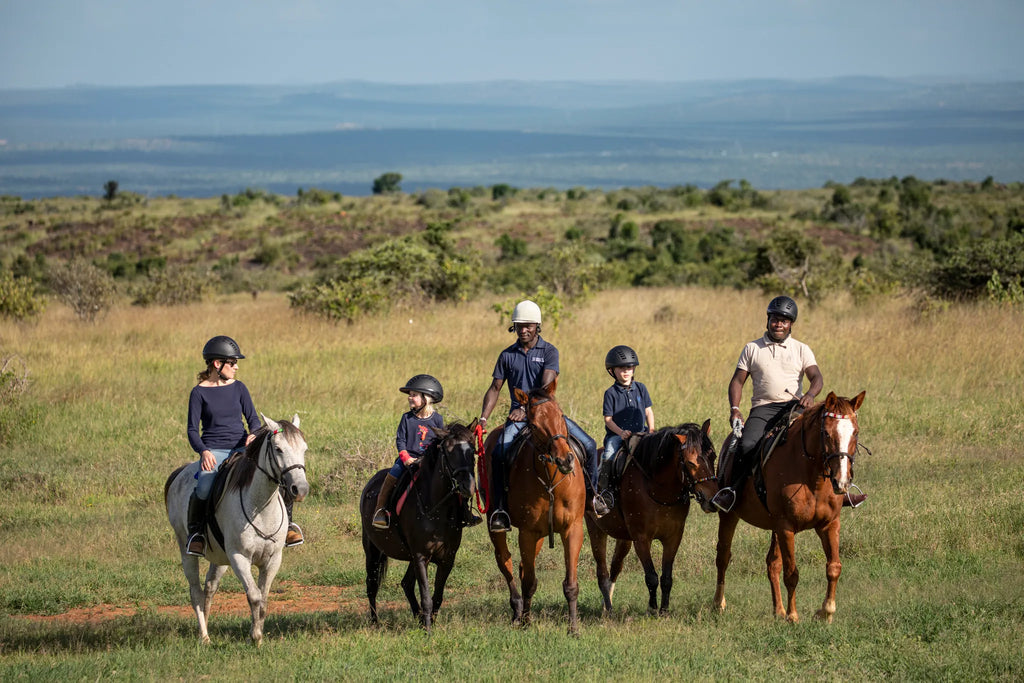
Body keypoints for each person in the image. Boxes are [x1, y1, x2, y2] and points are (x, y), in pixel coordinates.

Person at [711, 296, 866, 512]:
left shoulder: (801, 349)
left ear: (791, 324)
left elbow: (817, 378)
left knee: (828, 438)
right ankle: (732, 492)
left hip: (796, 408)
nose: (779, 324)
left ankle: (840, 490)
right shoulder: (752, 348)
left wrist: (811, 395)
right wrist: (735, 409)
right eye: (775, 319)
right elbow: (737, 381)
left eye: (784, 321)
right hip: (763, 409)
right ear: (768, 320)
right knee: (747, 445)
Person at [479, 300, 609, 533]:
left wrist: (527, 407)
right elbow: (495, 388)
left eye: (528, 325)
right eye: (519, 326)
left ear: (537, 326)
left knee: (588, 444)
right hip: (518, 417)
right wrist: (483, 419)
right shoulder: (507, 355)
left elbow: (546, 386)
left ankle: (592, 496)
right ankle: (499, 510)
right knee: (498, 453)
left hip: (546, 414)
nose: (523, 330)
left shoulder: (549, 352)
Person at [185, 336, 304, 556]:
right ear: (217, 364)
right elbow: (192, 430)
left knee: (278, 473)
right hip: (215, 451)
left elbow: (253, 420)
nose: (237, 366)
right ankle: (197, 534)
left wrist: (253, 435)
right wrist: (204, 451)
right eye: (232, 363)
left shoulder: (239, 388)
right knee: (203, 487)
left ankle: (288, 527)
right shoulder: (199, 393)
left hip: (242, 447)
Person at [372, 374, 480, 529]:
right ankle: (381, 510)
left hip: (429, 460)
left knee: (452, 479)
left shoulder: (437, 419)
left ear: (426, 399)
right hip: (408, 459)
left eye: (414, 395)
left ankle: (464, 512)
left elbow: (440, 441)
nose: (410, 398)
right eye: (410, 395)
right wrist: (406, 457)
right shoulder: (406, 418)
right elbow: (401, 440)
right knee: (391, 477)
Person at [600, 345, 655, 491]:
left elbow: (648, 411)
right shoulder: (610, 393)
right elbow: (608, 420)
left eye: (629, 368)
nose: (626, 371)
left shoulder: (641, 388)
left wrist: (651, 429)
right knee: (609, 454)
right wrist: (621, 433)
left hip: (641, 431)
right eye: (621, 368)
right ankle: (604, 491)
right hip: (617, 435)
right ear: (612, 371)